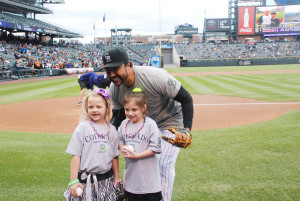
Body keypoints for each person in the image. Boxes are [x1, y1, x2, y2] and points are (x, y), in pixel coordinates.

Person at [102, 47, 194, 201]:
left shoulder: (154, 77)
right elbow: (118, 117)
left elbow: (186, 98)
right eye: (108, 71)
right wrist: (111, 135)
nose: (111, 75)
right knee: (140, 163)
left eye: (115, 69)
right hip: (143, 126)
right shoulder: (115, 88)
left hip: (169, 122)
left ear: (128, 65)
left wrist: (187, 129)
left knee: (163, 163)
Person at [64, 89, 121, 201]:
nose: (94, 110)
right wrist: (74, 180)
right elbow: (76, 155)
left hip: (107, 179)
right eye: (91, 107)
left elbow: (115, 156)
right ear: (86, 108)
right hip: (85, 180)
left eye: (98, 107)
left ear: (106, 108)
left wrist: (117, 178)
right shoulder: (82, 128)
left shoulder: (112, 130)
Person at [118, 88, 162, 201]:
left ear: (144, 108)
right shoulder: (124, 124)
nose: (130, 113)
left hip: (149, 183)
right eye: (126, 109)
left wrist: (136, 156)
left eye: (134, 109)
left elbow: (154, 147)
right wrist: (122, 147)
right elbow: (119, 141)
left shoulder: (150, 125)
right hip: (131, 181)